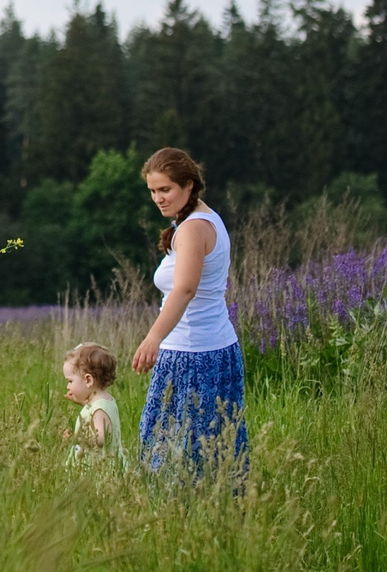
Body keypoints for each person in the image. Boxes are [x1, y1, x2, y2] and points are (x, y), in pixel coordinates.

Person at [129, 147, 247, 480]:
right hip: (214, 347)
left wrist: (153, 337)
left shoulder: (194, 229)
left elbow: (184, 289)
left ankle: (184, 521)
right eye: (152, 191)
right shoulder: (205, 220)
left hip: (193, 354)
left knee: (177, 452)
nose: (158, 199)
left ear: (189, 186)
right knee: (213, 448)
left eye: (165, 189)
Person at [60, 341, 125, 469]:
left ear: (88, 380)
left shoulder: (99, 410)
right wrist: (83, 403)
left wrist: (76, 439)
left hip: (99, 468)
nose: (68, 386)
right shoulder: (104, 401)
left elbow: (100, 439)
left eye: (70, 381)